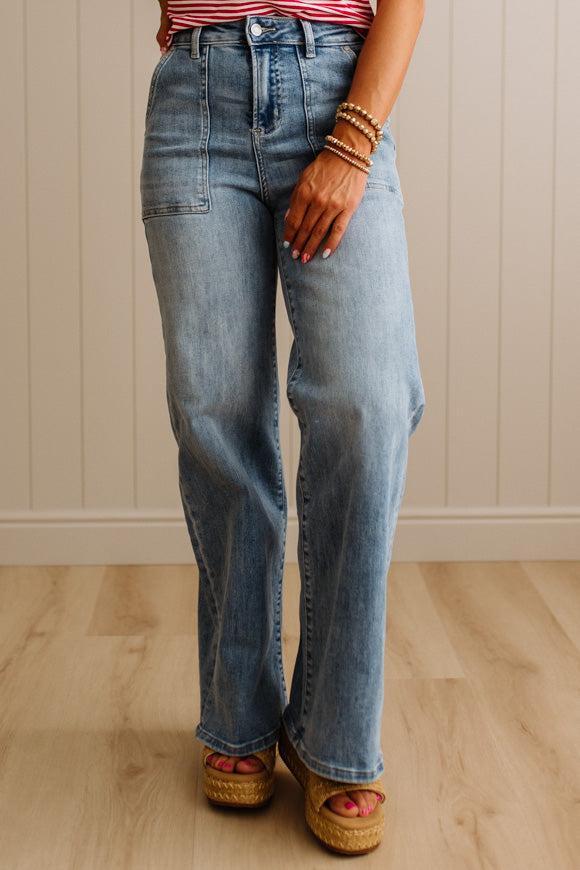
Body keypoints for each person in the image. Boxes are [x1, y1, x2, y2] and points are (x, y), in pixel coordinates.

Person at [141, 0, 425, 855]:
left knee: (367, 407)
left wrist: (352, 140)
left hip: (339, 83)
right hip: (195, 96)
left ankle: (335, 734)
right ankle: (238, 714)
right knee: (216, 414)